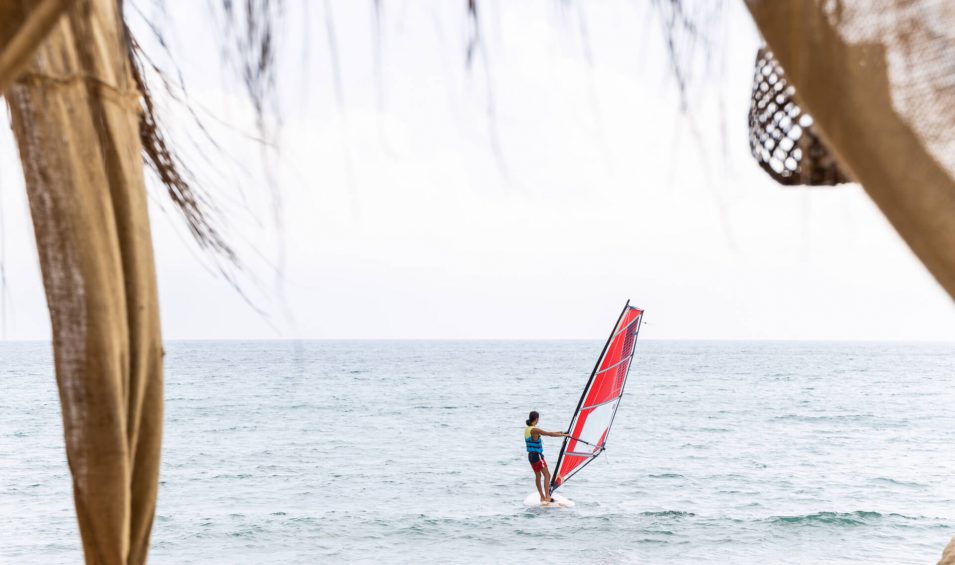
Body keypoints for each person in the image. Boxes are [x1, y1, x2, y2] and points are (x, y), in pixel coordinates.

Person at [524, 410, 569, 505]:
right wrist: (564, 435)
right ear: (536, 419)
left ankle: (542, 497)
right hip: (537, 456)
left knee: (538, 476)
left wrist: (560, 432)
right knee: (547, 475)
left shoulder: (527, 429)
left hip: (531, 456)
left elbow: (549, 432)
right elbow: (549, 434)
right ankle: (547, 497)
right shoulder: (535, 430)